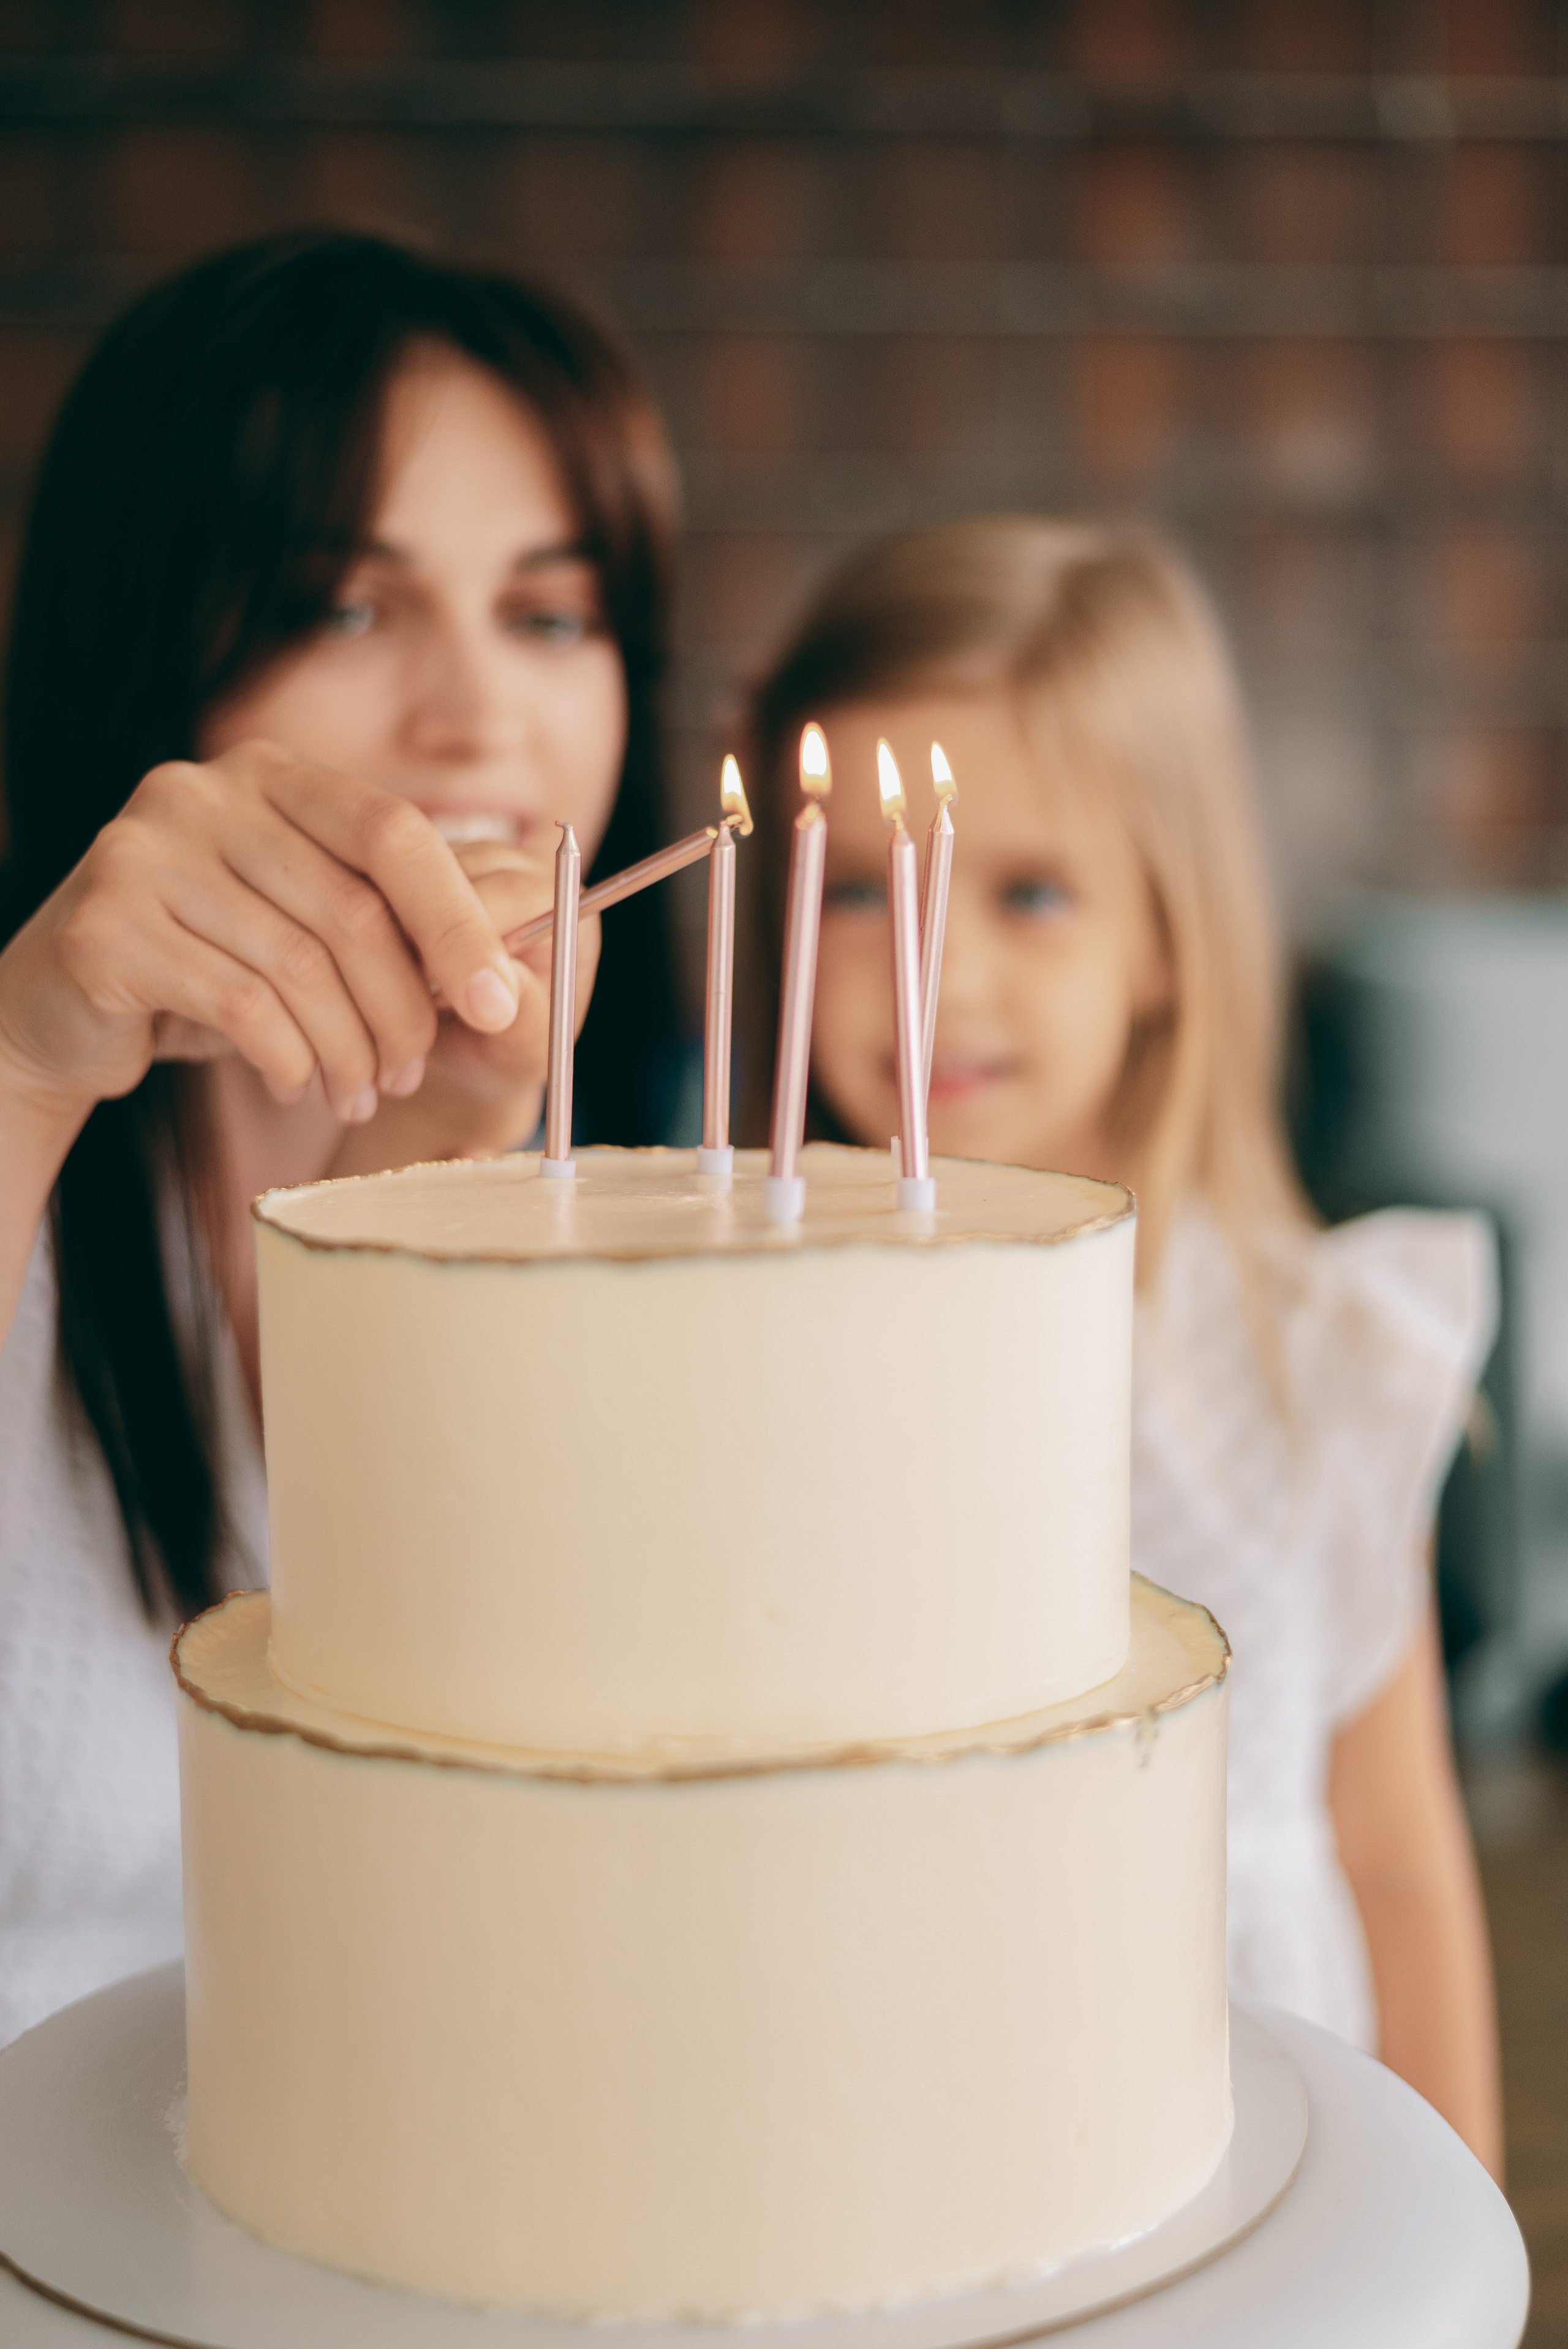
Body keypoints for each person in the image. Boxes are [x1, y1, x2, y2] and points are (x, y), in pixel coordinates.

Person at [744, 516, 1504, 2175]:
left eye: (1029, 891)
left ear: (1167, 932)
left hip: (1268, 2151)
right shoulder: (742, 1355)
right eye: (860, 890)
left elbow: (1396, 1854)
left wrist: (1467, 2240)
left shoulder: (1319, 1357)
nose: (935, 971)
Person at [0, 227, 682, 2044]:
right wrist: (23, 1061)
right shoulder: (31, 1126)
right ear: (146, 652)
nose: (479, 717)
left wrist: (434, 1175)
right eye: (346, 607)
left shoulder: (689, 1214)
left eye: (551, 614)